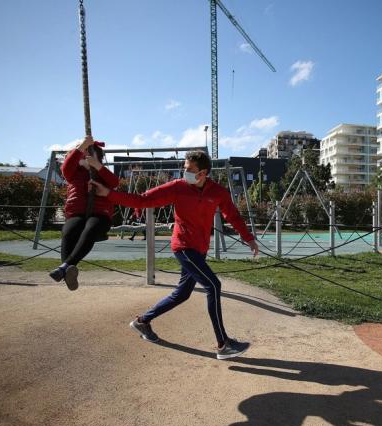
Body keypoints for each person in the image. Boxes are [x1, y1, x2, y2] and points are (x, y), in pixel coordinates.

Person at [89, 151, 259, 360]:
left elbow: (232, 215)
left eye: (189, 170)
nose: (184, 172)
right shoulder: (177, 187)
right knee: (213, 285)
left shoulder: (218, 192)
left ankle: (143, 321)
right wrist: (109, 194)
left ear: (203, 173)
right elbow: (142, 200)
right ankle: (223, 344)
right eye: (184, 168)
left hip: (200, 250)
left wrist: (248, 238)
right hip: (183, 247)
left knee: (182, 294)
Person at [49, 136, 119, 290]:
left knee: (91, 228)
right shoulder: (74, 172)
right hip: (77, 212)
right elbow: (66, 168)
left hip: (100, 213)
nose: (85, 155)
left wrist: (98, 167)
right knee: (69, 232)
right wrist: (82, 146)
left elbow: (115, 182)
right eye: (83, 153)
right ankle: (67, 271)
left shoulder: (102, 173)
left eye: (89, 153)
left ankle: (65, 267)